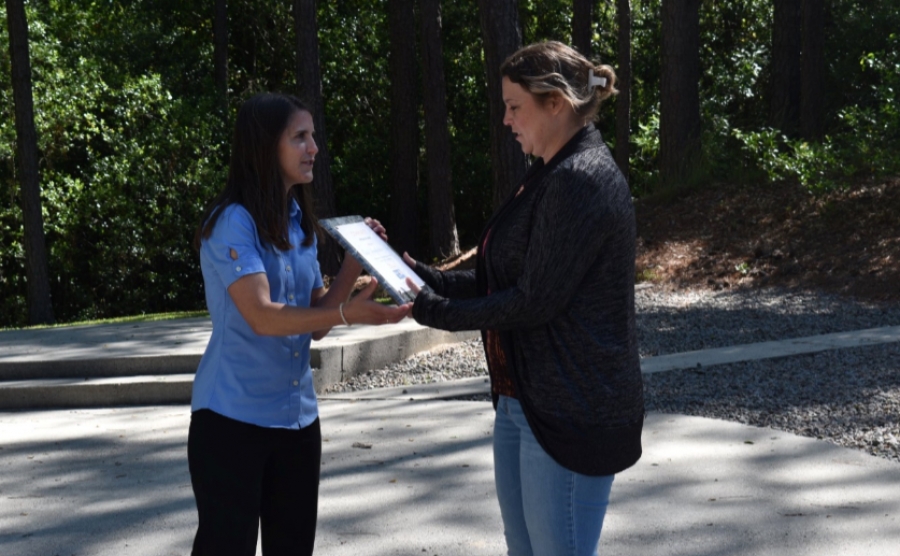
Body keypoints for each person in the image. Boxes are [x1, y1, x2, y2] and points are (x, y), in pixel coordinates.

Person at [403, 41, 644, 555]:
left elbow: (535, 299)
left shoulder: (581, 179)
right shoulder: (548, 172)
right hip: (524, 401)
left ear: (555, 102)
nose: (507, 121)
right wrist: (424, 278)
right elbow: (503, 276)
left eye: (515, 107)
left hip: (571, 411)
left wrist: (438, 312)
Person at [189, 92, 410, 556]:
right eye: (300, 138)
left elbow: (313, 322)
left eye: (313, 137)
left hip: (297, 422)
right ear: (265, 146)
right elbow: (264, 317)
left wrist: (353, 265)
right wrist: (348, 313)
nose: (314, 149)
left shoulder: (297, 220)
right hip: (232, 421)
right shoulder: (232, 222)